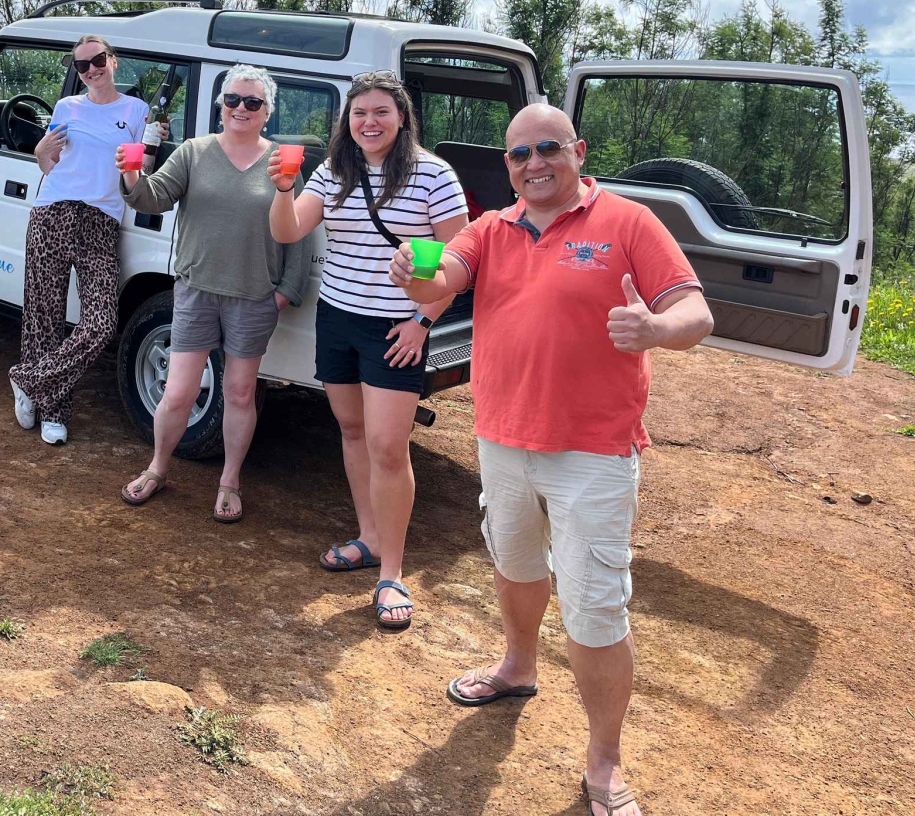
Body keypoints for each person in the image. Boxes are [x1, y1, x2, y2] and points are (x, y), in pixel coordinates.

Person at [390, 103, 714, 816]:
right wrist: (413, 272)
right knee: (515, 565)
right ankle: (517, 665)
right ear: (506, 165)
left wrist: (656, 327)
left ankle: (604, 758)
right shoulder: (491, 228)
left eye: (548, 149)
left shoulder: (628, 222)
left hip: (593, 451)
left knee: (594, 607)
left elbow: (696, 312)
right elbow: (441, 281)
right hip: (504, 438)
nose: (533, 163)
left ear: (578, 151)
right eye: (519, 154)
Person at [268, 71, 468, 630]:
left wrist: (422, 323)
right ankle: (370, 538)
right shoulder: (334, 170)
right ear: (347, 121)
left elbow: (462, 259)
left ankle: (393, 573)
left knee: (388, 446)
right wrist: (282, 189)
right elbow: (288, 231)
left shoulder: (434, 175)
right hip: (337, 317)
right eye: (359, 113)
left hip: (395, 328)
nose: (369, 122)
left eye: (381, 112)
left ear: (402, 117)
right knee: (352, 431)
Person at [117, 65, 313, 522]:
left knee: (240, 393)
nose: (241, 108)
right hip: (196, 291)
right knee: (178, 391)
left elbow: (297, 235)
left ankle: (230, 480)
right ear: (220, 105)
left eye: (253, 102)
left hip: (254, 297)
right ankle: (157, 467)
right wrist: (130, 174)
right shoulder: (194, 152)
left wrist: (284, 292)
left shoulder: (281, 163)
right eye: (233, 99)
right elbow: (152, 198)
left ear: (267, 111)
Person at [9, 35, 161, 445]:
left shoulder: (136, 110)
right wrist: (40, 150)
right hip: (53, 212)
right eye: (82, 65)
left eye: (97, 60)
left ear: (113, 61)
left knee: (101, 323)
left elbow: (141, 172)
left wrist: (152, 141)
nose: (91, 70)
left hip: (102, 220)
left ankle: (28, 380)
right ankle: (53, 413)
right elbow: (49, 164)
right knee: (43, 316)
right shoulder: (66, 107)